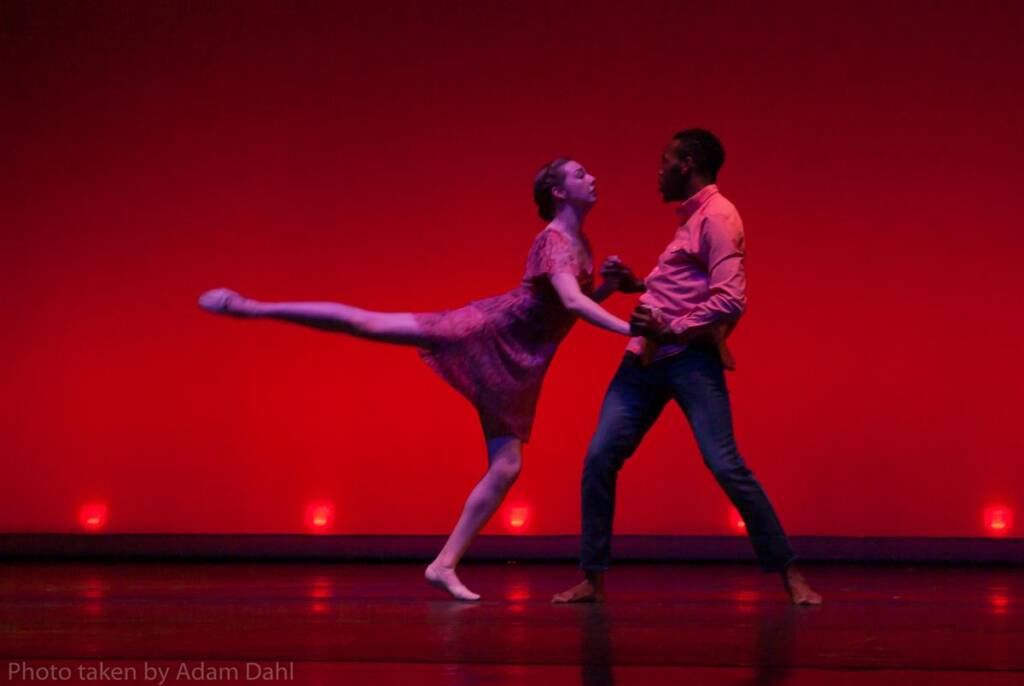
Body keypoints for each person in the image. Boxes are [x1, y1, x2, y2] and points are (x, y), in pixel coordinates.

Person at [198, 158, 645, 601]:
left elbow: (566, 305)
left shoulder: (578, 241)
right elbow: (570, 298)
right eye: (580, 174)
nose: (593, 177)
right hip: (488, 331)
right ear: (558, 192)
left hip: (524, 360)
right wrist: (629, 327)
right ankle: (253, 307)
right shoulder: (553, 241)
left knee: (507, 466)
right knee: (371, 325)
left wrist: (608, 287)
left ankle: (444, 565)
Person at [552, 130, 823, 605]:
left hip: (689, 360)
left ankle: (790, 575)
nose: (658, 172)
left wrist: (671, 329)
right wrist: (636, 284)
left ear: (688, 164)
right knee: (599, 459)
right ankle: (591, 579)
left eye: (665, 162)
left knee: (725, 464)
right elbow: (678, 287)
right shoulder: (691, 220)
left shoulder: (718, 216)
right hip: (643, 361)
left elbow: (730, 299)